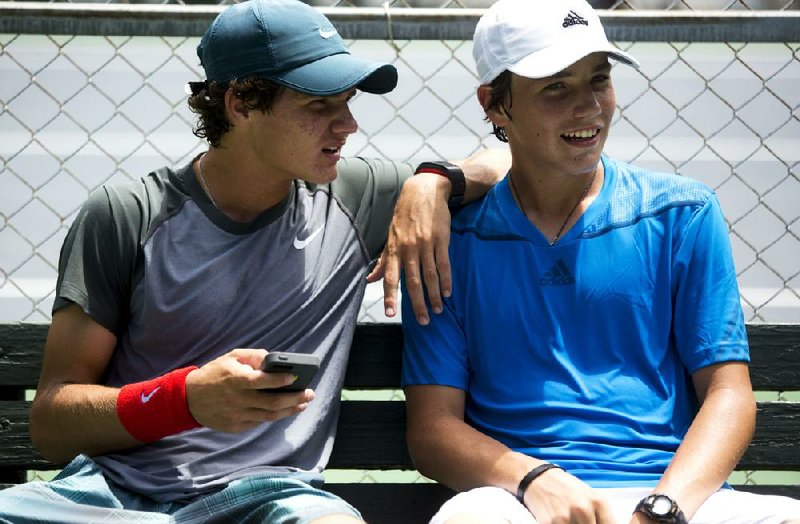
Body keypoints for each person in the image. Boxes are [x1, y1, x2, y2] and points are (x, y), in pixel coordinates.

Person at [0, 1, 509, 523]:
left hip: (272, 500)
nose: (348, 125)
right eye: (319, 105)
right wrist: (184, 400)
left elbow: (510, 159)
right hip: (112, 498)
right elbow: (51, 423)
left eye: (349, 102)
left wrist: (432, 180)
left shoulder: (359, 196)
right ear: (241, 102)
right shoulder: (127, 214)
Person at [400, 0, 800, 523]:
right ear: (496, 106)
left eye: (599, 79)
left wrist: (663, 508)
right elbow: (432, 430)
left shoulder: (682, 213)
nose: (588, 106)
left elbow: (728, 393)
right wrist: (534, 481)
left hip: (672, 495)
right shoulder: (445, 241)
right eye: (556, 87)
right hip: (516, 497)